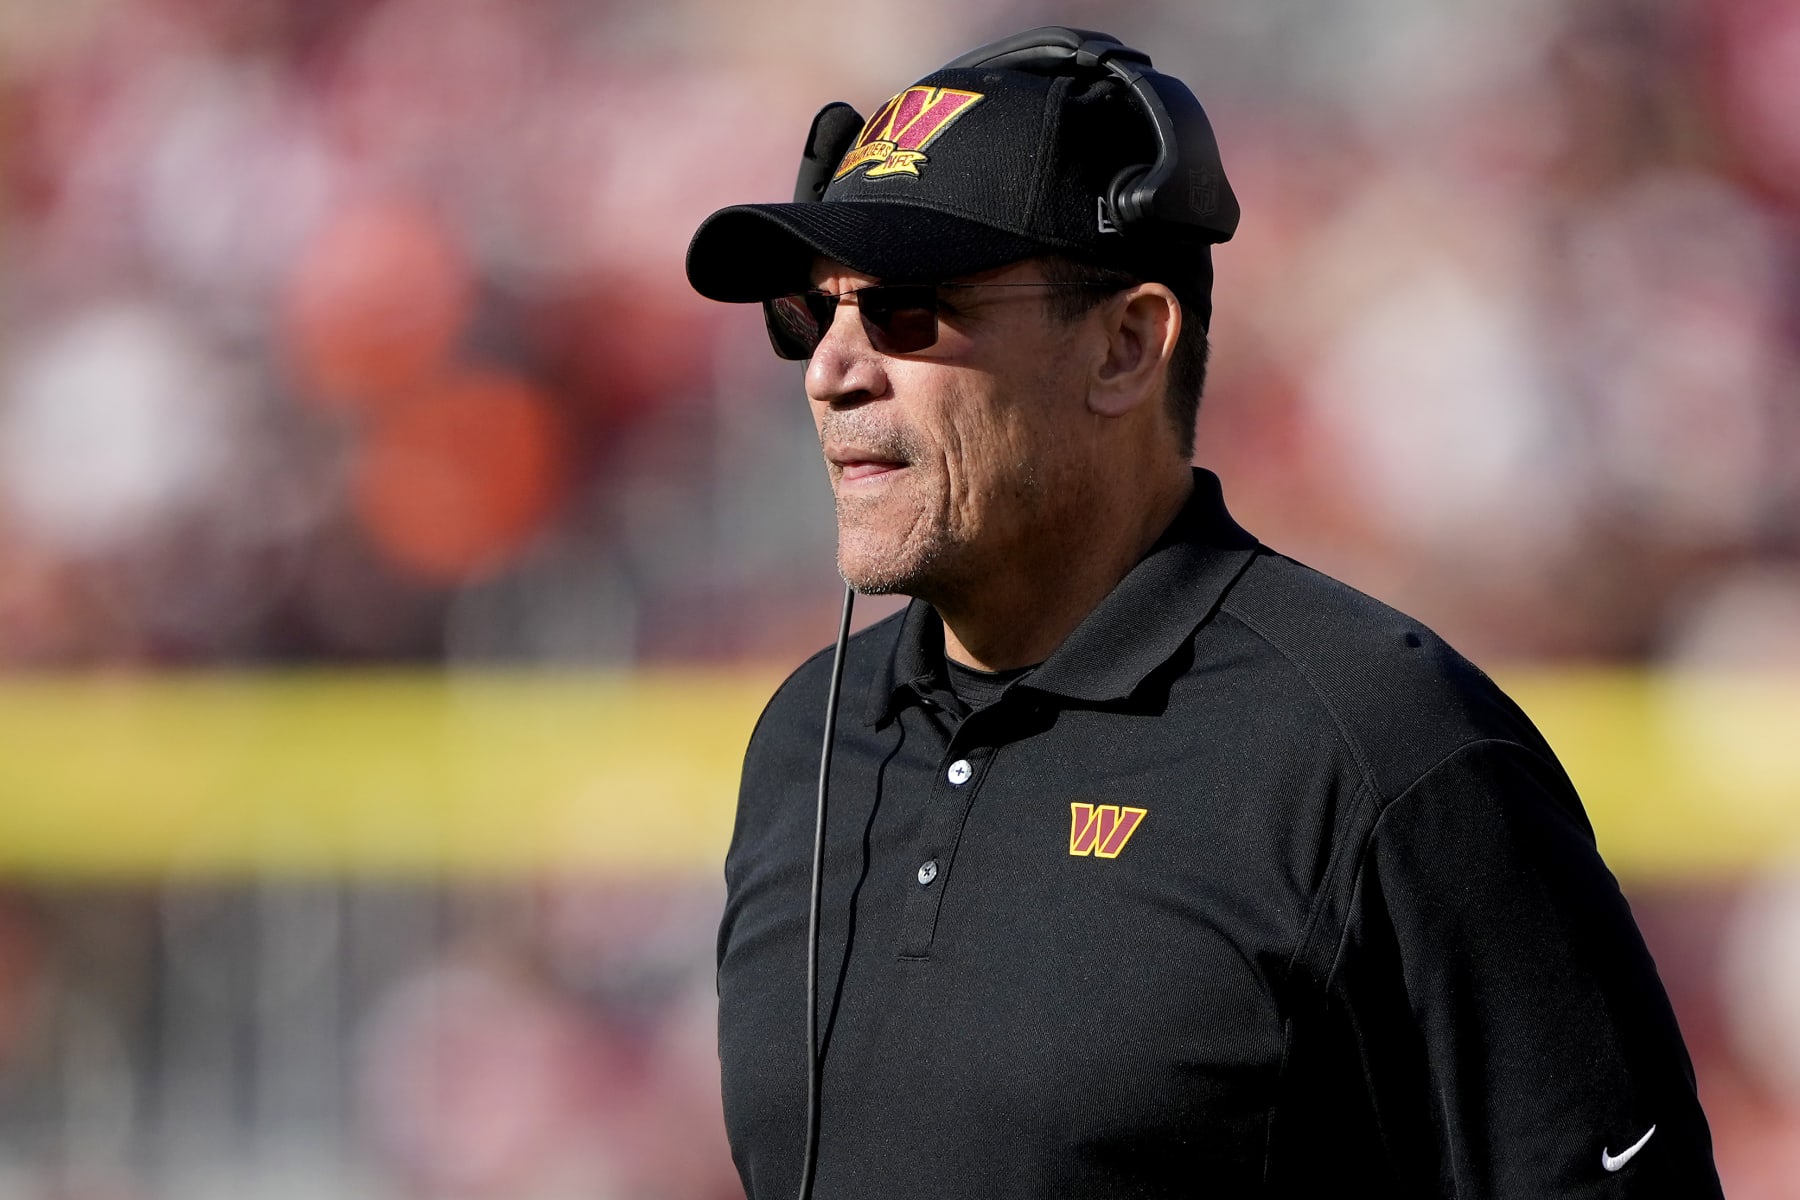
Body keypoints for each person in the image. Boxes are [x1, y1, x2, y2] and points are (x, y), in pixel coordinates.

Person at [685, 26, 1723, 1200]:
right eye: (809, 314)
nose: (832, 367)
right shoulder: (805, 743)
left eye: (909, 308)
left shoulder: (1382, 747)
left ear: (1127, 346)